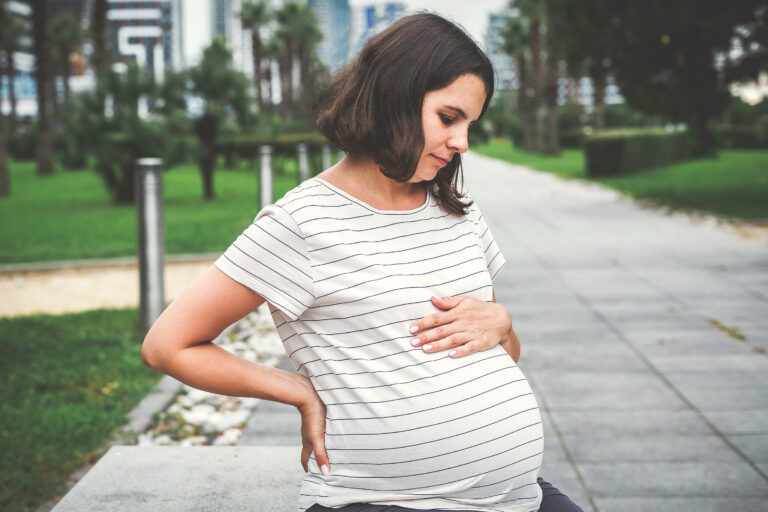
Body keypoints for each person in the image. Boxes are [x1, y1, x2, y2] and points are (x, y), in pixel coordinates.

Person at [141, 12, 582, 512]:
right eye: (448, 117)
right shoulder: (304, 222)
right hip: (382, 500)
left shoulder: (456, 209)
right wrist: (299, 390)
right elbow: (167, 345)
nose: (462, 143)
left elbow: (500, 355)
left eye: (470, 126)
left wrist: (502, 325)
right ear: (394, 96)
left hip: (515, 498)